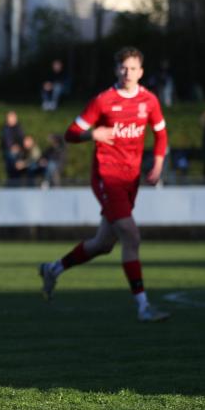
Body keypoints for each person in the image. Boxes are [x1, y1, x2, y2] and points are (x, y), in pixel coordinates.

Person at [39, 47, 170, 322]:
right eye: (123, 68)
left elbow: (160, 134)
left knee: (103, 243)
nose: (128, 73)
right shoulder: (104, 101)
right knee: (131, 236)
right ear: (117, 70)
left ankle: (53, 269)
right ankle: (143, 306)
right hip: (106, 176)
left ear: (141, 72)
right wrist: (93, 133)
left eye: (133, 68)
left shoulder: (149, 100)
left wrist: (157, 165)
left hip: (131, 178)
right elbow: (71, 134)